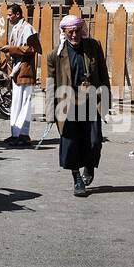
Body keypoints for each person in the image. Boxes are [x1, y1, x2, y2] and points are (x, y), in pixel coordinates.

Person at [52, 16, 109, 197]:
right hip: (68, 105)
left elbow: (103, 73)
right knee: (71, 143)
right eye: (71, 32)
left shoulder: (93, 47)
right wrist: (49, 114)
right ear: (65, 33)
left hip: (91, 102)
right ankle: (76, 179)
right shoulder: (55, 55)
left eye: (77, 31)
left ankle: (89, 166)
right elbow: (50, 85)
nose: (75, 35)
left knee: (94, 141)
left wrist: (106, 101)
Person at [0, 4, 39, 147]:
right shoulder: (16, 28)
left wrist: (12, 49)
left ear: (17, 14)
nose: (8, 17)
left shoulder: (27, 28)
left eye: (10, 15)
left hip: (25, 69)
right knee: (16, 103)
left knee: (25, 103)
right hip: (16, 69)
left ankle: (23, 134)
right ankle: (15, 133)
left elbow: (32, 48)